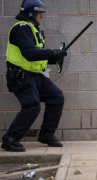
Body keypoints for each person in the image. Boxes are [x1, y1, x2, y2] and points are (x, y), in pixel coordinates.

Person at [1, 0, 67, 152]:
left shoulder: (33, 29)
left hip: (35, 75)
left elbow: (37, 55)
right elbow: (29, 54)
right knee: (32, 106)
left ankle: (46, 135)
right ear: (31, 13)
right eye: (39, 13)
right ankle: (10, 139)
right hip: (21, 76)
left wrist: (55, 57)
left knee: (56, 97)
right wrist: (52, 52)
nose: (42, 17)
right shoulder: (21, 29)